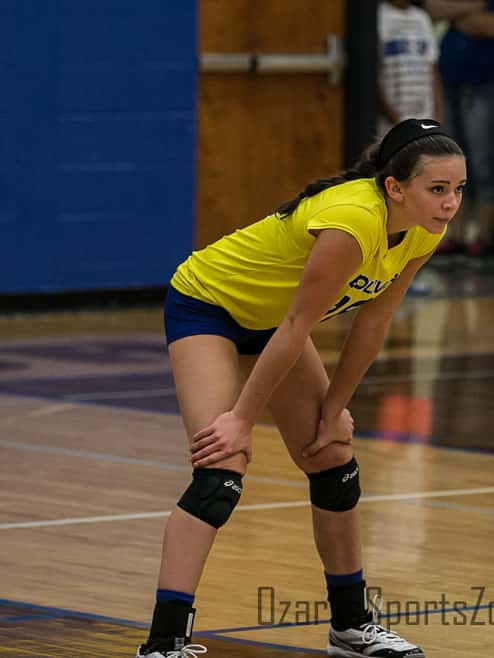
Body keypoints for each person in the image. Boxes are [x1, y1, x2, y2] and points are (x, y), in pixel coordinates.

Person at [135, 118, 467, 658]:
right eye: (438, 189)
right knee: (221, 469)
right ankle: (164, 641)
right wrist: (241, 418)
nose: (450, 203)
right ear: (394, 187)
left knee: (332, 455)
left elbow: (373, 323)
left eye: (458, 190)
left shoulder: (425, 229)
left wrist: (335, 408)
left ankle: (352, 627)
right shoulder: (352, 222)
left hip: (272, 324)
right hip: (209, 307)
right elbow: (295, 326)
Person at [423, 0, 494, 263]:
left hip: (486, 84)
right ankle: (456, 235)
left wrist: (456, 15)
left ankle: (482, 238)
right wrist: (475, 7)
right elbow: (432, 9)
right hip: (450, 80)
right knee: (452, 162)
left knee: (484, 162)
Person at [377, 1, 444, 137]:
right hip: (390, 124)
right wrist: (396, 121)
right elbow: (373, 76)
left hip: (425, 121)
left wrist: (437, 117)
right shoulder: (378, 17)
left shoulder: (422, 18)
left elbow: (432, 68)